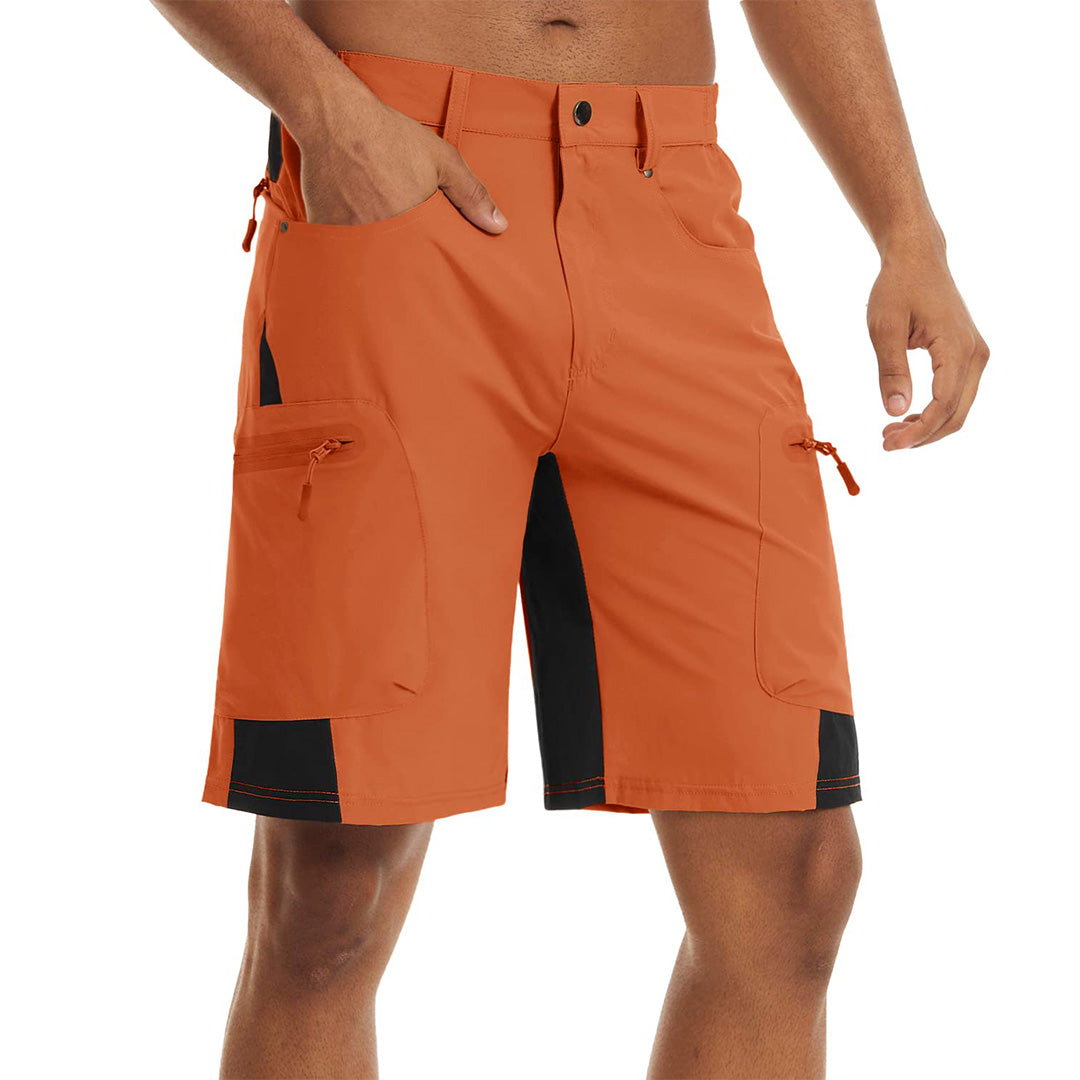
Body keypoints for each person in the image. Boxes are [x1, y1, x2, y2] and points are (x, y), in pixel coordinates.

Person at [150, 2, 988, 1076]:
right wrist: (328, 113)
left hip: (666, 192)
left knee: (794, 877)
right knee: (334, 880)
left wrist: (907, 224)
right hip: (398, 177)